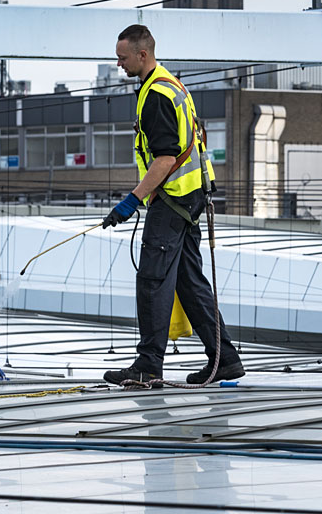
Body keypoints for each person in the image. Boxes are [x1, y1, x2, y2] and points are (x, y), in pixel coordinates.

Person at [102, 25, 244, 386]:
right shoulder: (171, 84)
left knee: (152, 278)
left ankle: (148, 365)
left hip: (173, 199)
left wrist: (132, 200)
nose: (119, 64)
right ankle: (224, 358)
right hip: (191, 197)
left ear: (142, 55)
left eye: (123, 57)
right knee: (188, 280)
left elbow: (165, 158)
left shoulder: (156, 96)